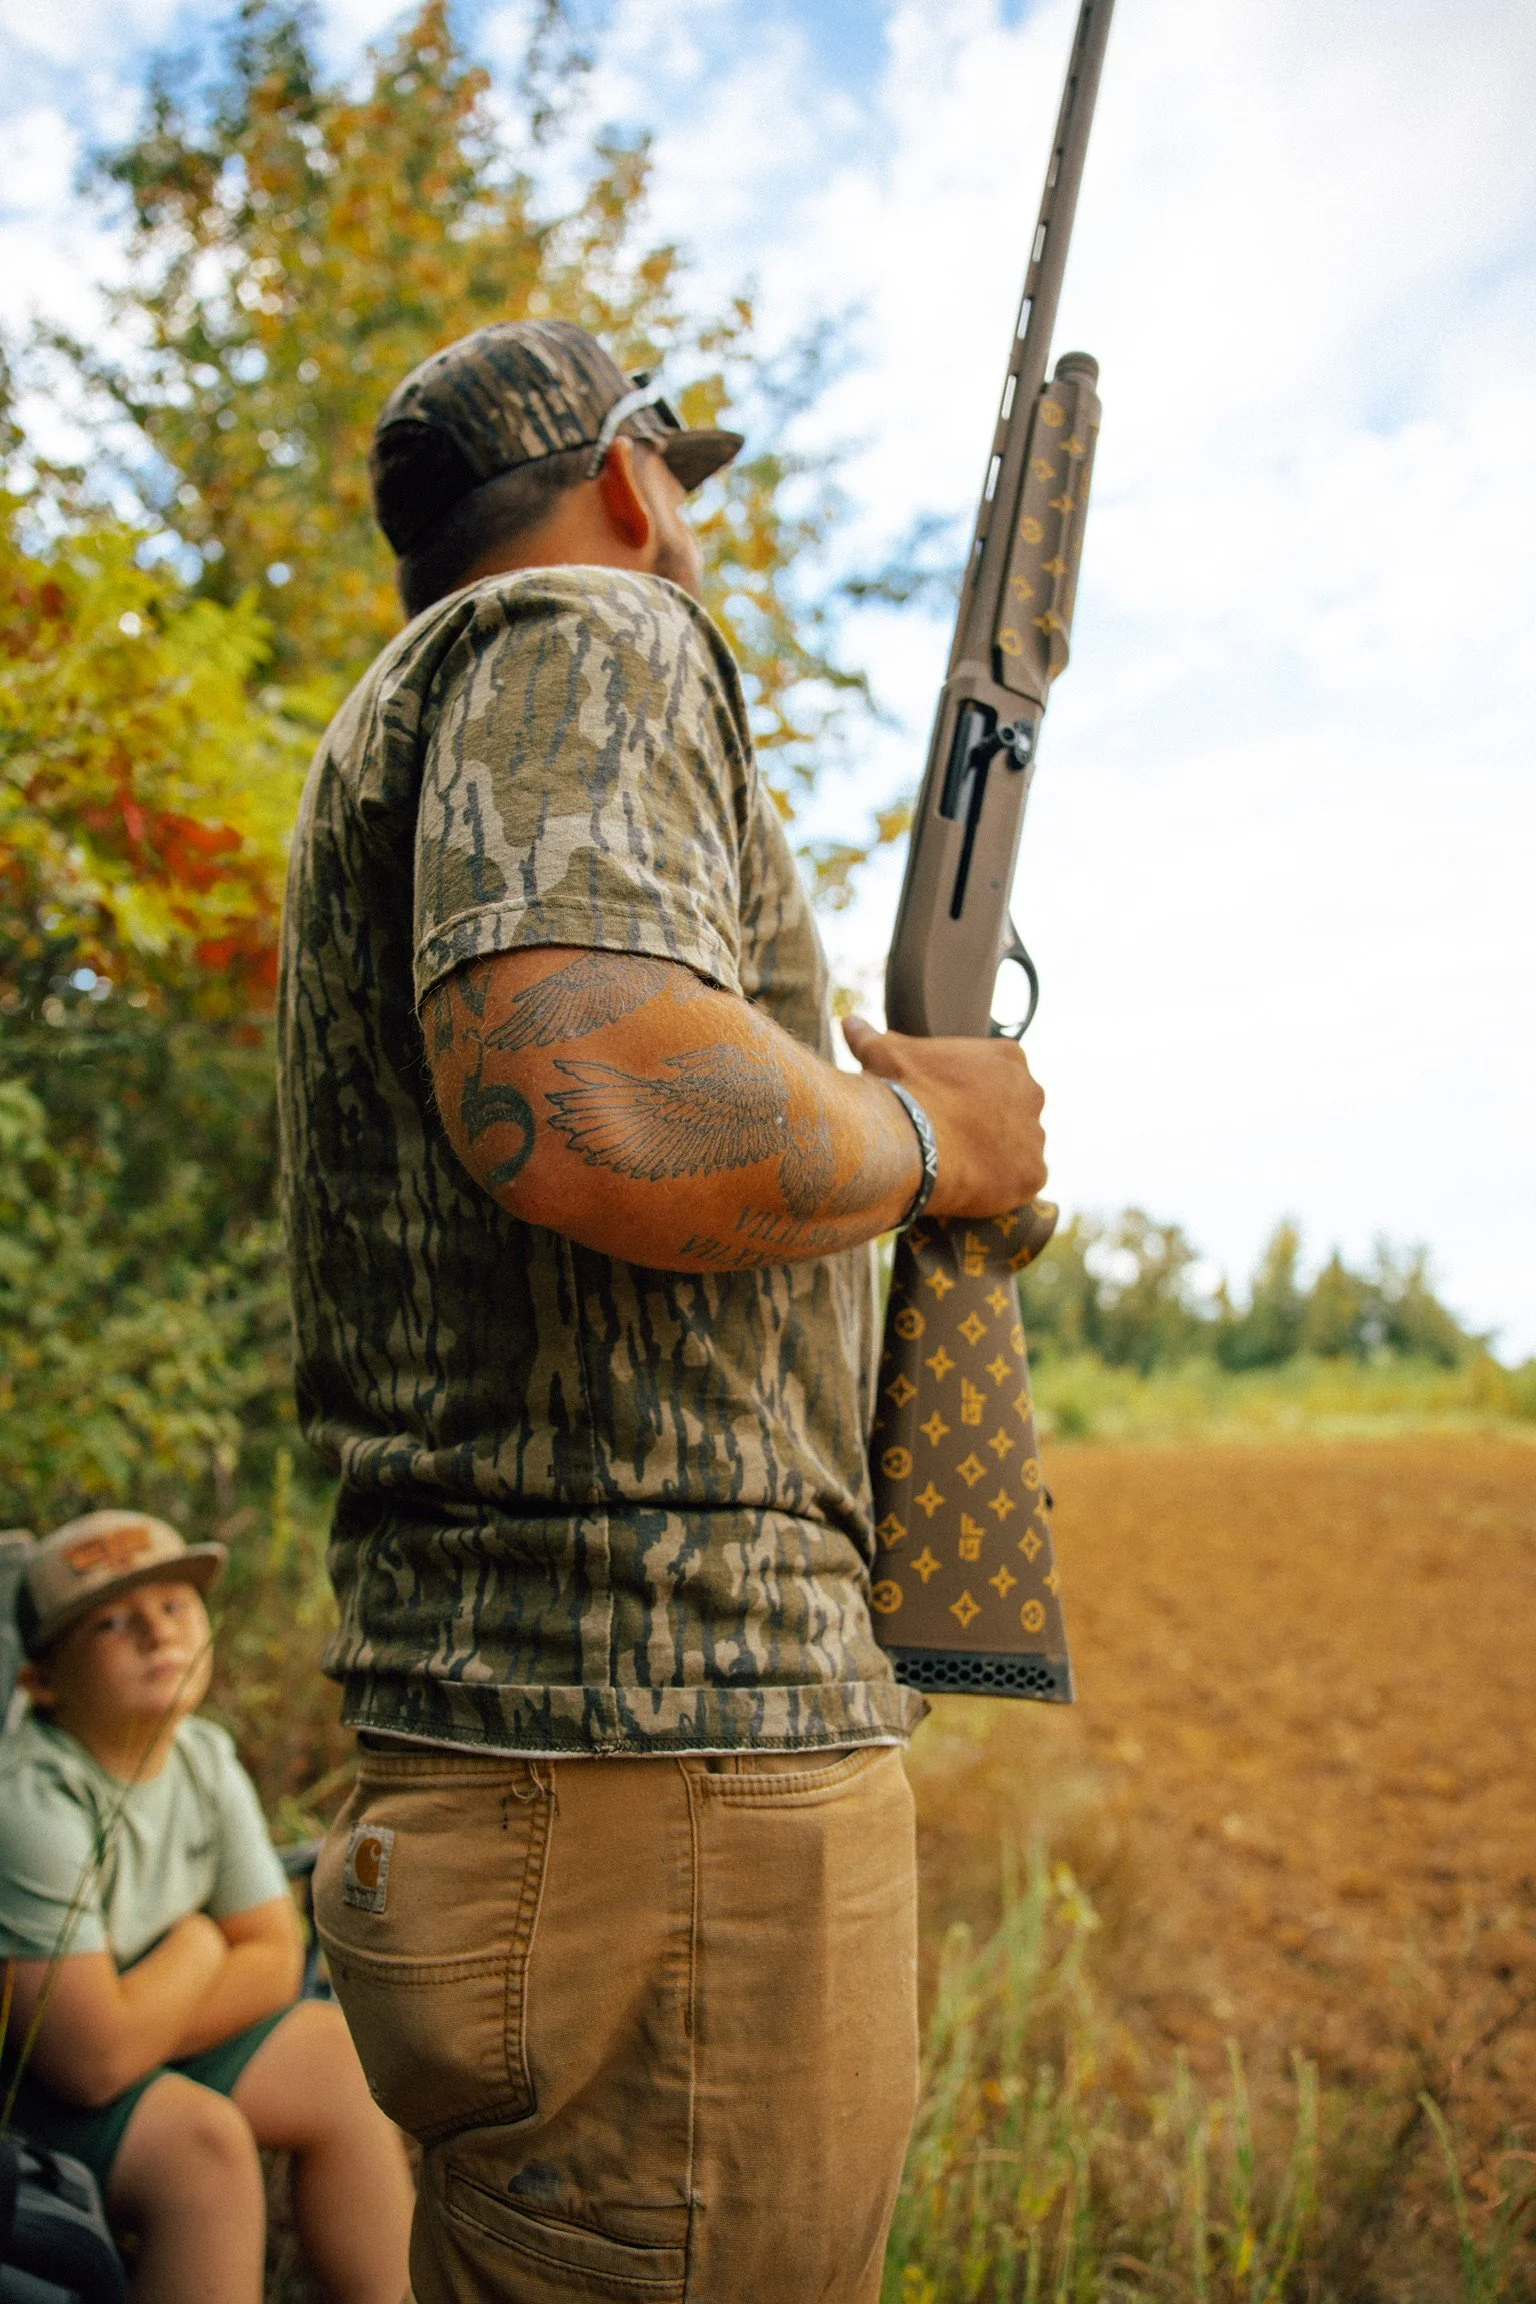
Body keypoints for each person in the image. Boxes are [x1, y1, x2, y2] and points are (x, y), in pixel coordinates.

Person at [278, 319, 1049, 2304]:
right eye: (679, 488)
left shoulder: (411, 708)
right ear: (633, 479)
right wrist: (932, 1142)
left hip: (550, 1779)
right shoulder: (592, 630)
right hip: (668, 1773)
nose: (685, 528)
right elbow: (591, 1086)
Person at [0, 1509, 413, 2304]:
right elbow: (83, 2062)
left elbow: (274, 1960)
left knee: (334, 2056)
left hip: (140, 2035)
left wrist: (134, 2023)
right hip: (33, 2093)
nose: (157, 1633)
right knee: (202, 2150)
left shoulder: (202, 1755)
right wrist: (197, 1942)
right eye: (110, 1622)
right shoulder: (29, 1799)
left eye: (173, 1605)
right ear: (41, 1681)